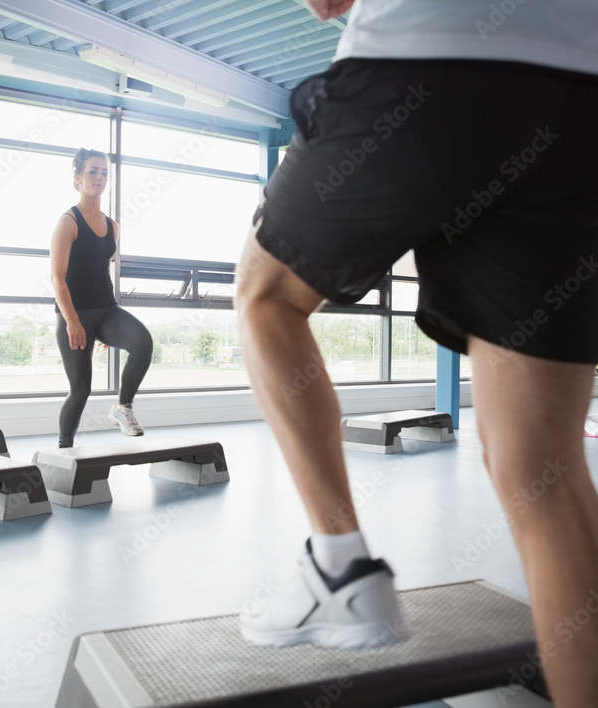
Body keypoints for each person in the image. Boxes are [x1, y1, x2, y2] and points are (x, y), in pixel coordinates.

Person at [233, 1, 598, 705]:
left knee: (267, 295)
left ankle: (341, 569)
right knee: (543, 466)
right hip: (581, 92)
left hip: (424, 56)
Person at [50, 148, 153, 448]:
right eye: (93, 171)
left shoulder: (113, 226)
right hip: (74, 313)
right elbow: (58, 279)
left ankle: (123, 407)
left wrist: (108, 326)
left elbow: (100, 272)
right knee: (81, 389)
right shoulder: (68, 222)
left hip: (106, 309)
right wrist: (72, 321)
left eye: (104, 172)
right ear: (78, 177)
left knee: (142, 342)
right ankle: (63, 449)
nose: (99, 177)